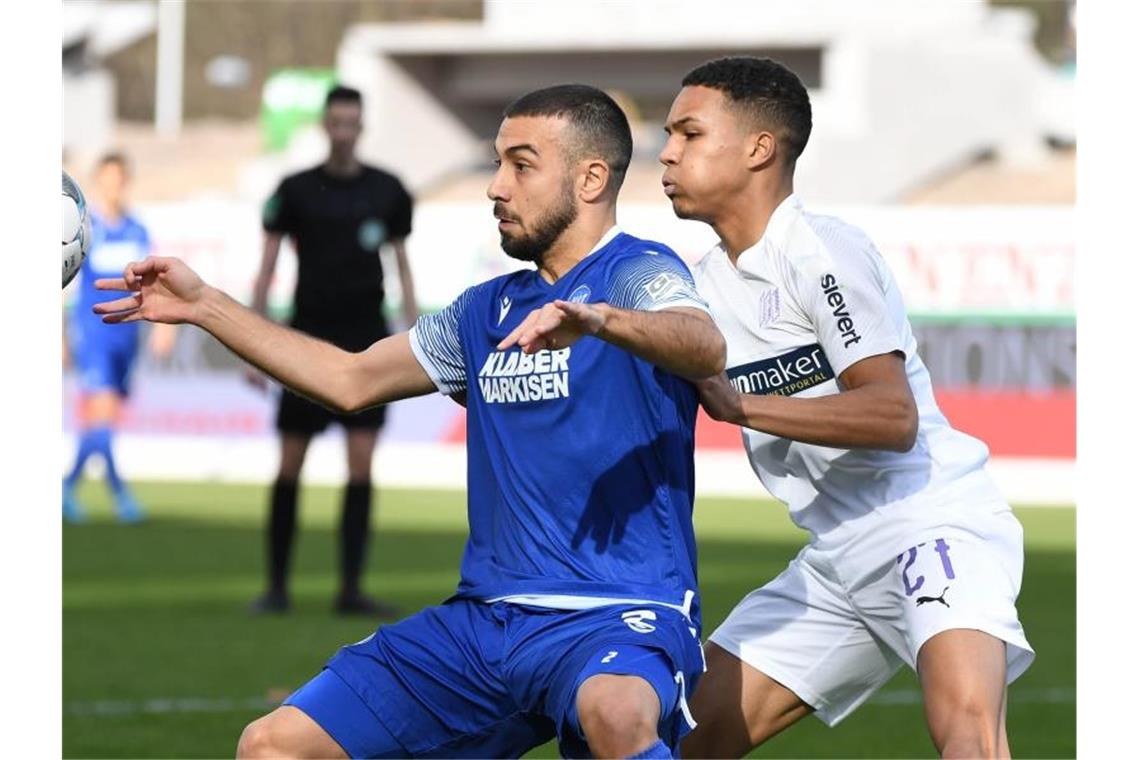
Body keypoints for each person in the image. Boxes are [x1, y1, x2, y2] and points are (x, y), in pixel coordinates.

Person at [95, 84, 726, 759]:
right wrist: (205, 306)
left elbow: (701, 342)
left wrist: (599, 319)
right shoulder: (484, 310)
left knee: (616, 717)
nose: (495, 187)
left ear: (591, 177)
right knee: (272, 745)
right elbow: (348, 379)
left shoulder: (636, 272)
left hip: (616, 616)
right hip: (485, 622)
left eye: (520, 164)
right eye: (496, 163)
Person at [658, 56, 1035, 759]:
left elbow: (893, 418)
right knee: (673, 740)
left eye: (688, 132)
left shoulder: (821, 251)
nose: (666, 151)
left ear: (758, 149)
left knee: (968, 738)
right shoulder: (697, 286)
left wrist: (742, 405)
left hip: (933, 525)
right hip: (837, 558)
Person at [249, 84, 419, 616]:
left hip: (366, 340)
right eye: (336, 122)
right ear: (325, 126)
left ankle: (350, 588)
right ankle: (276, 586)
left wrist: (413, 329)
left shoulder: (388, 190)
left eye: (352, 123)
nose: (344, 132)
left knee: (362, 465)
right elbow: (269, 263)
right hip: (305, 341)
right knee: (290, 463)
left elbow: (401, 262)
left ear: (361, 127)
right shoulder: (295, 189)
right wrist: (253, 343)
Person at [63, 152, 175, 523]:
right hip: (94, 333)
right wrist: (60, 335)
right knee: (102, 414)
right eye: (107, 179)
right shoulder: (82, 227)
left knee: (102, 421)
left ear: (126, 182)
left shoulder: (138, 230)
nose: (114, 186)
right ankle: (119, 494)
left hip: (127, 337)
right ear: (98, 182)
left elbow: (155, 284)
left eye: (119, 179)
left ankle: (68, 488)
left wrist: (163, 326)